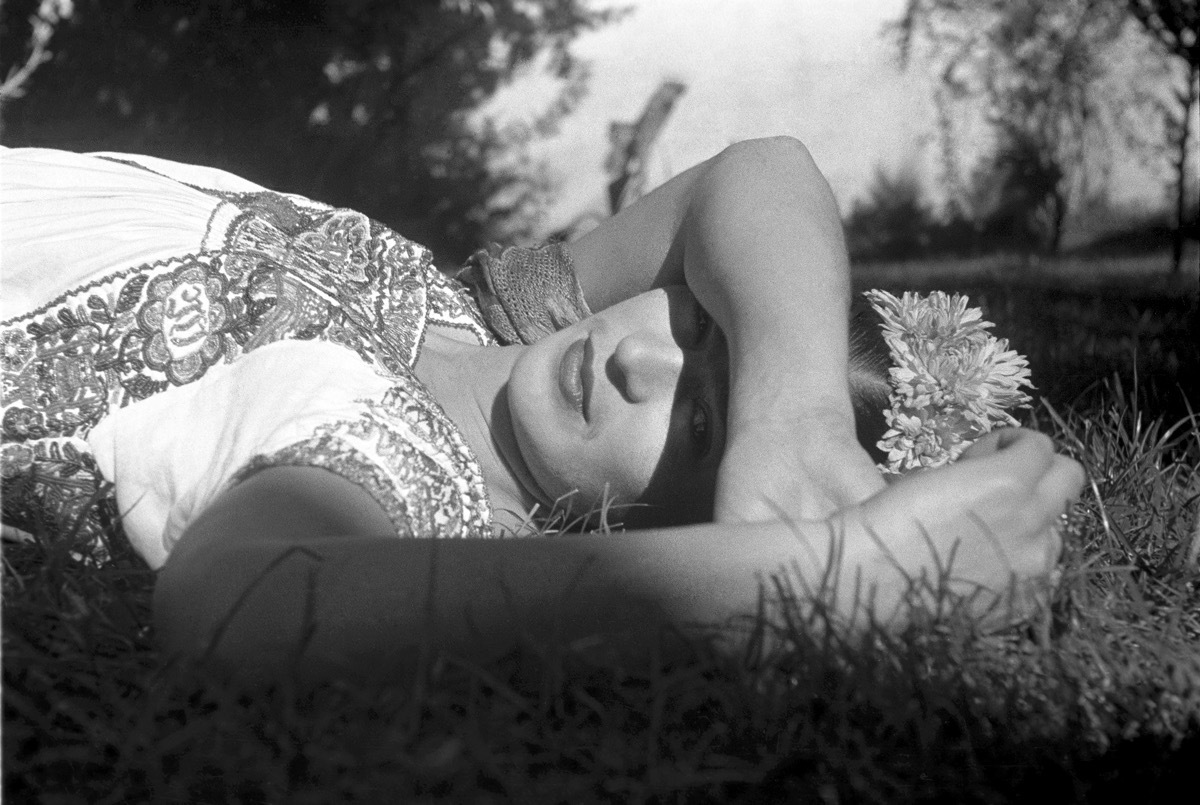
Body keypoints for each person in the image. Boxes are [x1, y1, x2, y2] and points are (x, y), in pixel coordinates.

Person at [0, 139, 1085, 680]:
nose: (640, 361)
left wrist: (821, 579)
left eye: (696, 425)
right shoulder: (473, 320)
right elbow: (758, 171)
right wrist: (788, 416)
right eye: (702, 322)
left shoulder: (394, 459)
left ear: (675, 526)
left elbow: (234, 606)